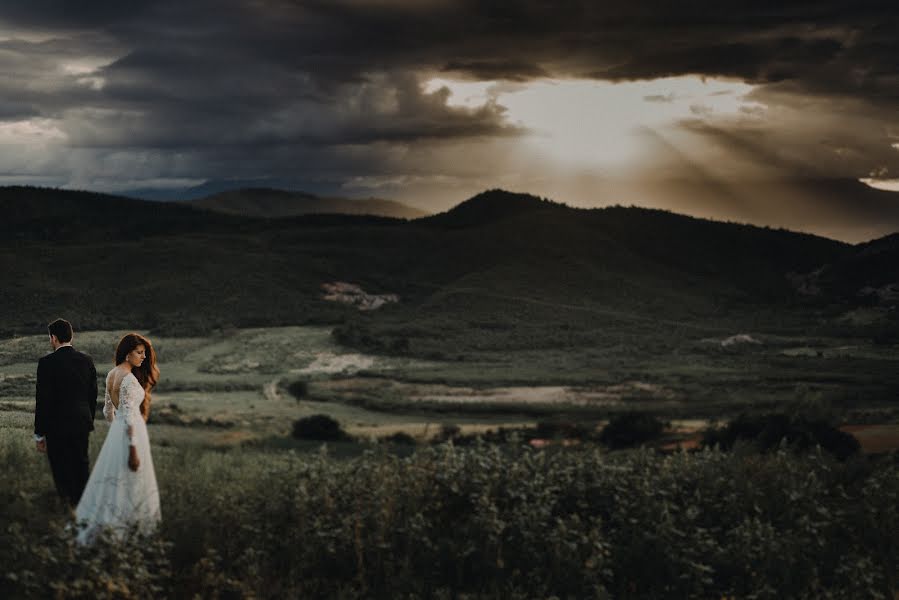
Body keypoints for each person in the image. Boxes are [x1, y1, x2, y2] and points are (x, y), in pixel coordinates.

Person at [75, 333, 161, 544]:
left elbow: (106, 411)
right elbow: (131, 416)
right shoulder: (130, 380)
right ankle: (128, 530)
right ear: (127, 353)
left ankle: (112, 526)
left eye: (144, 353)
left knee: (114, 480)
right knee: (131, 480)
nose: (143, 357)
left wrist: (117, 432)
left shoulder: (112, 374)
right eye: (139, 353)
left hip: (118, 433)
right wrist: (132, 447)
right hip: (132, 436)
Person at [34, 318, 98, 507]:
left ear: (53, 338)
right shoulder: (87, 361)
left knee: (60, 468)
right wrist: (88, 420)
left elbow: (43, 400)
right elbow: (92, 396)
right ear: (72, 336)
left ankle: (67, 506)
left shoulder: (46, 363)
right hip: (81, 423)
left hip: (56, 425)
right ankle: (84, 508)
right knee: (81, 465)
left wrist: (39, 433)